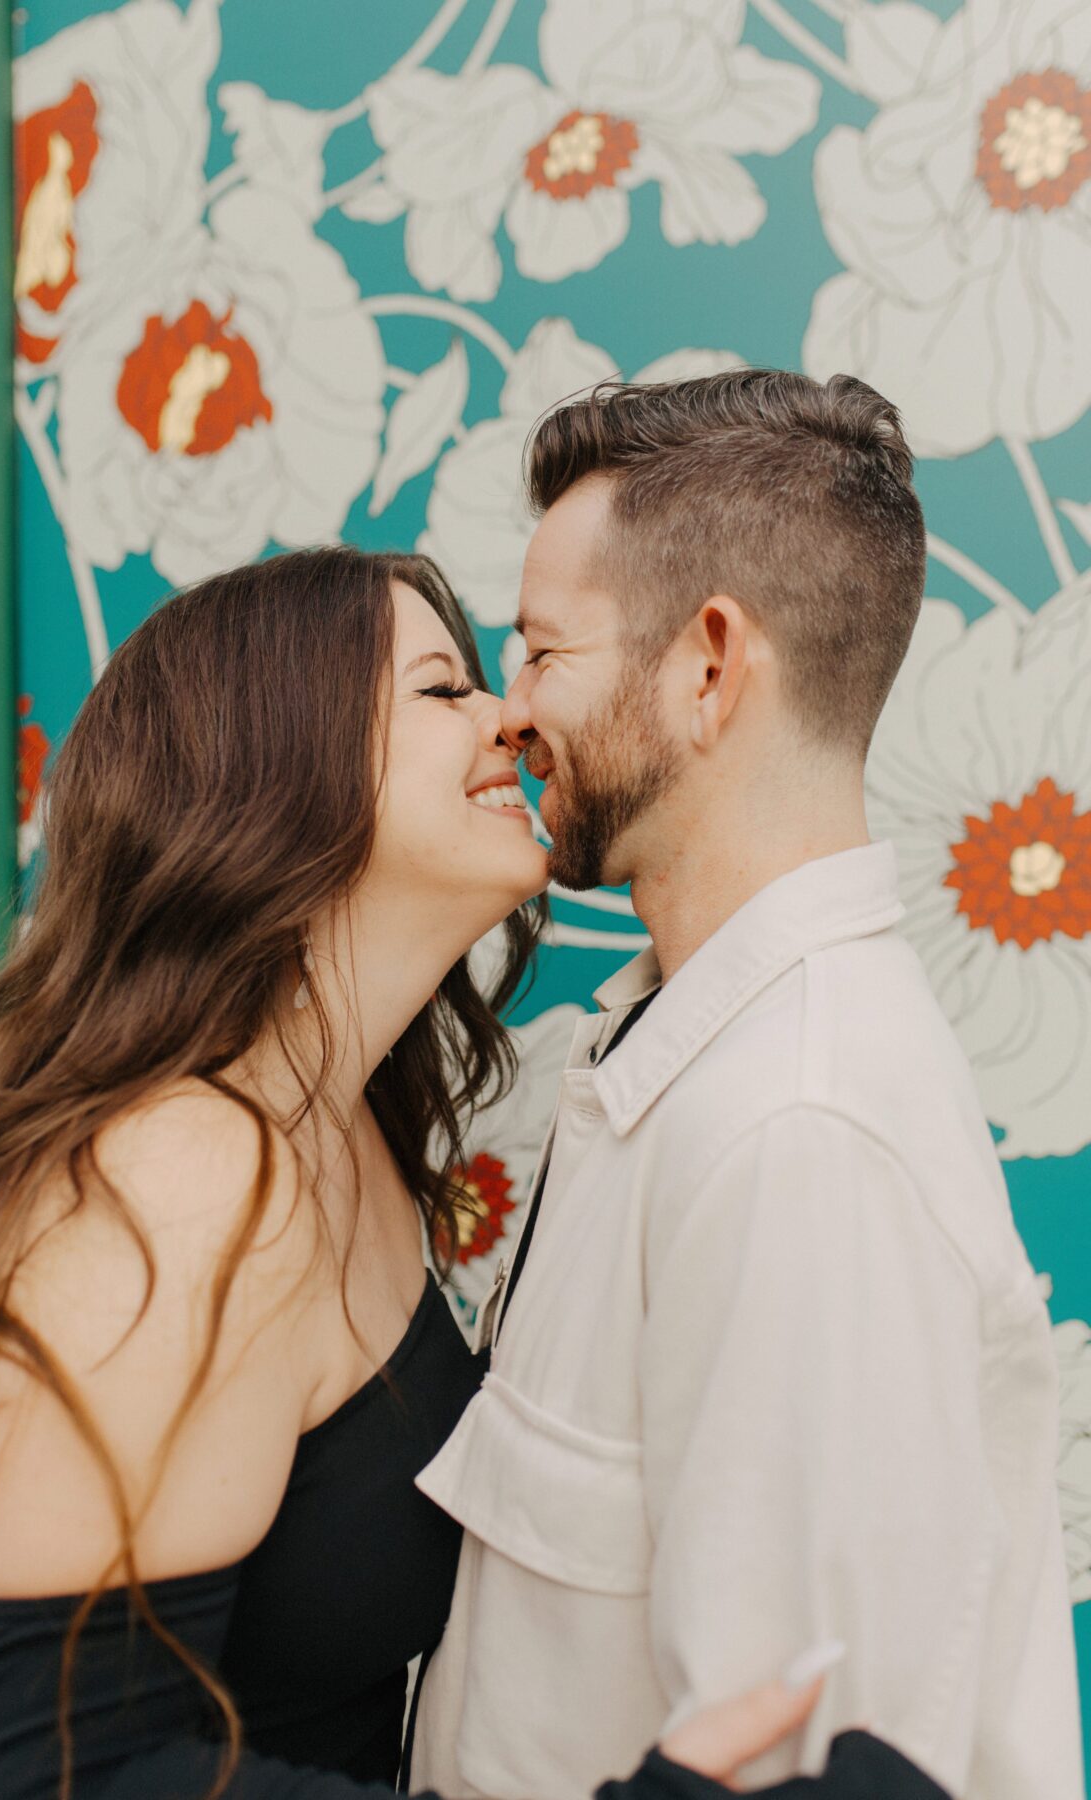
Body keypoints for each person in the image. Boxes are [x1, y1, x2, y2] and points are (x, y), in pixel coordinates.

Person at [0, 546, 865, 1800]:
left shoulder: (344, 1132)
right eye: (443, 688)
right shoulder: (179, 1178)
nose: (511, 716)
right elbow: (42, 1777)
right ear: (273, 773)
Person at [411, 371, 1084, 1800]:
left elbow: (798, 1770)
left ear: (708, 666)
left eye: (541, 651)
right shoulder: (680, 1052)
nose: (511, 714)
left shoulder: (796, 1137)